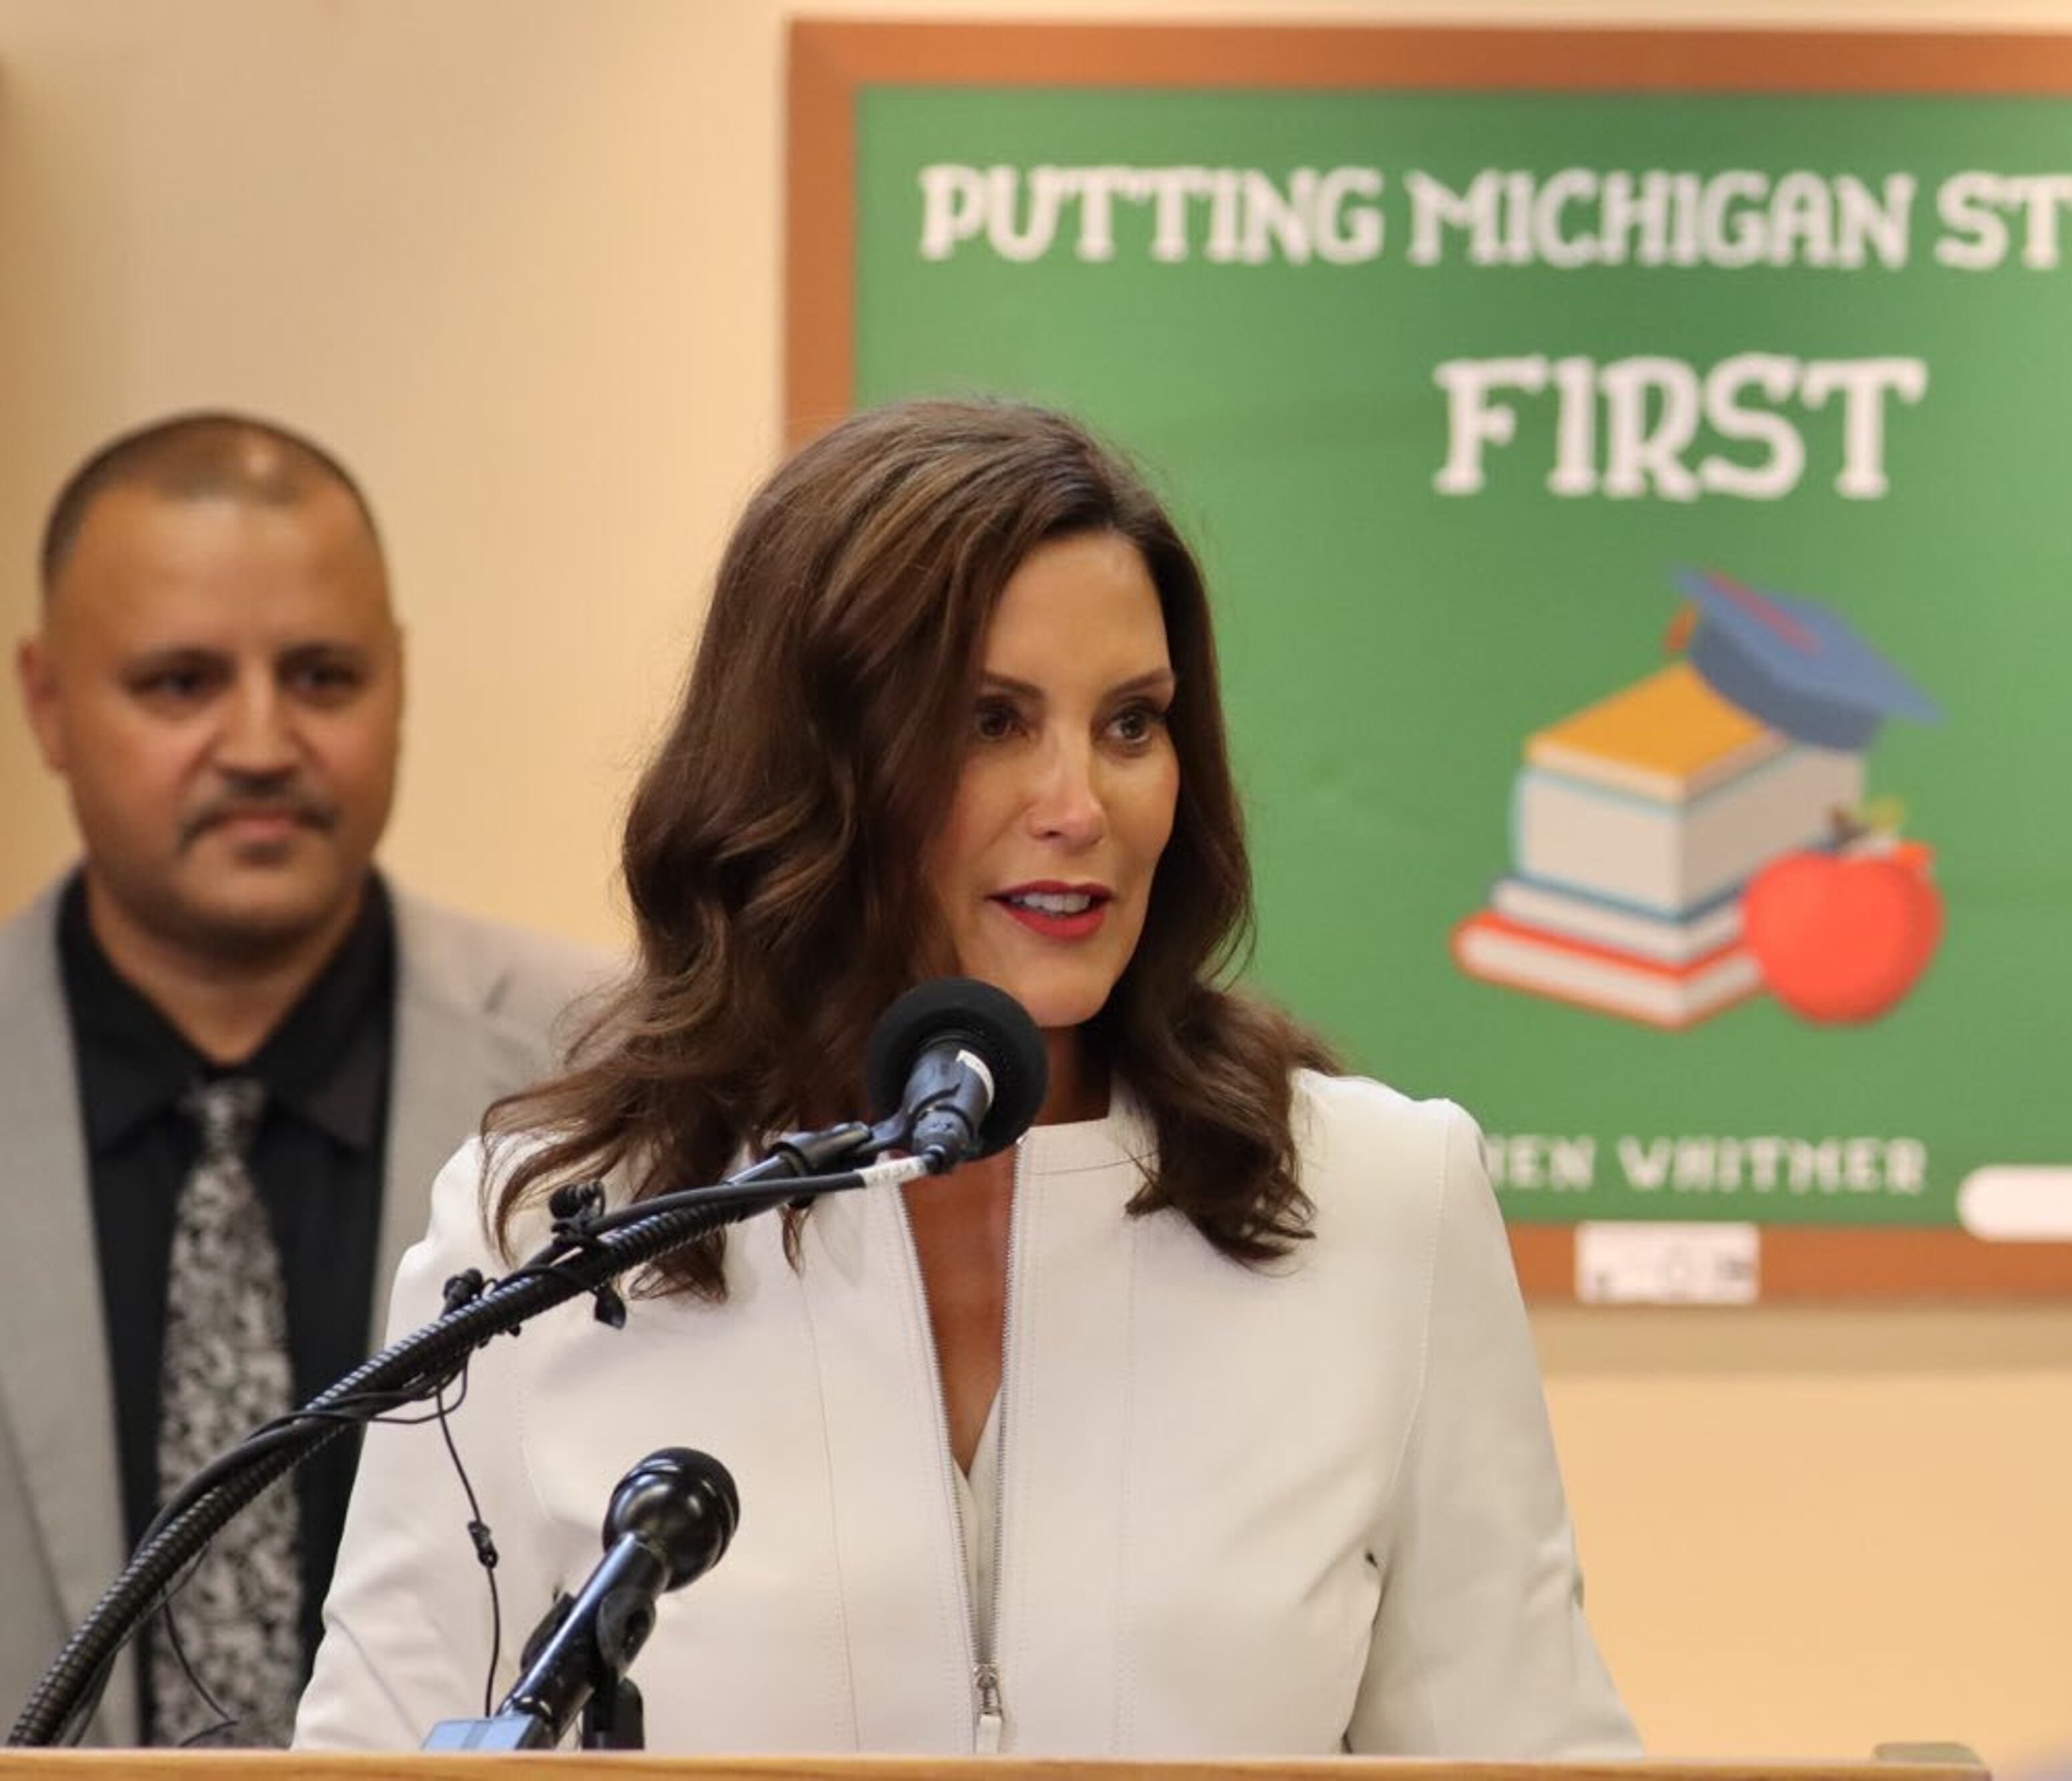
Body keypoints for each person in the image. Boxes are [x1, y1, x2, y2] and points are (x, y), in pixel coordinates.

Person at [293, 398, 1640, 1756]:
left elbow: (1525, 1755)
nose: (1079, 803)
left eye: (1130, 724)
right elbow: (372, 1757)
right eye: (992, 722)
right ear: (810, 767)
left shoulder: (1375, 1200)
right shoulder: (539, 1233)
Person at [0, 412, 609, 1746]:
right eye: (180, 684)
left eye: (324, 676)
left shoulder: (617, 1078)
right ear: (46, 702)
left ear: (398, 681)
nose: (263, 742)